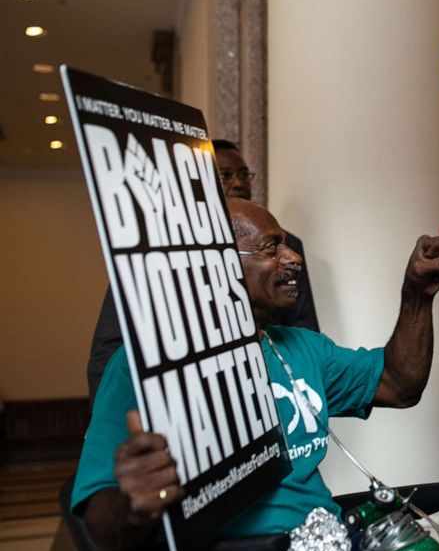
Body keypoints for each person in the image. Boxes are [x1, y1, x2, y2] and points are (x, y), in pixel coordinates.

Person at [71, 199, 439, 551]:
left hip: (335, 546)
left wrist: (417, 295)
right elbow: (101, 523)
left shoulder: (298, 346)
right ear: (215, 264)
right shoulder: (143, 369)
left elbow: (398, 384)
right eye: (271, 247)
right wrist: (135, 507)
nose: (293, 257)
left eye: (286, 244)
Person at [86, 139, 319, 401]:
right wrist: (110, 420)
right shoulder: (155, 250)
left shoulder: (287, 245)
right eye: (225, 175)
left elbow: (304, 325)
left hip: (270, 390)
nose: (240, 183)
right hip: (189, 399)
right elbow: (111, 345)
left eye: (244, 174)